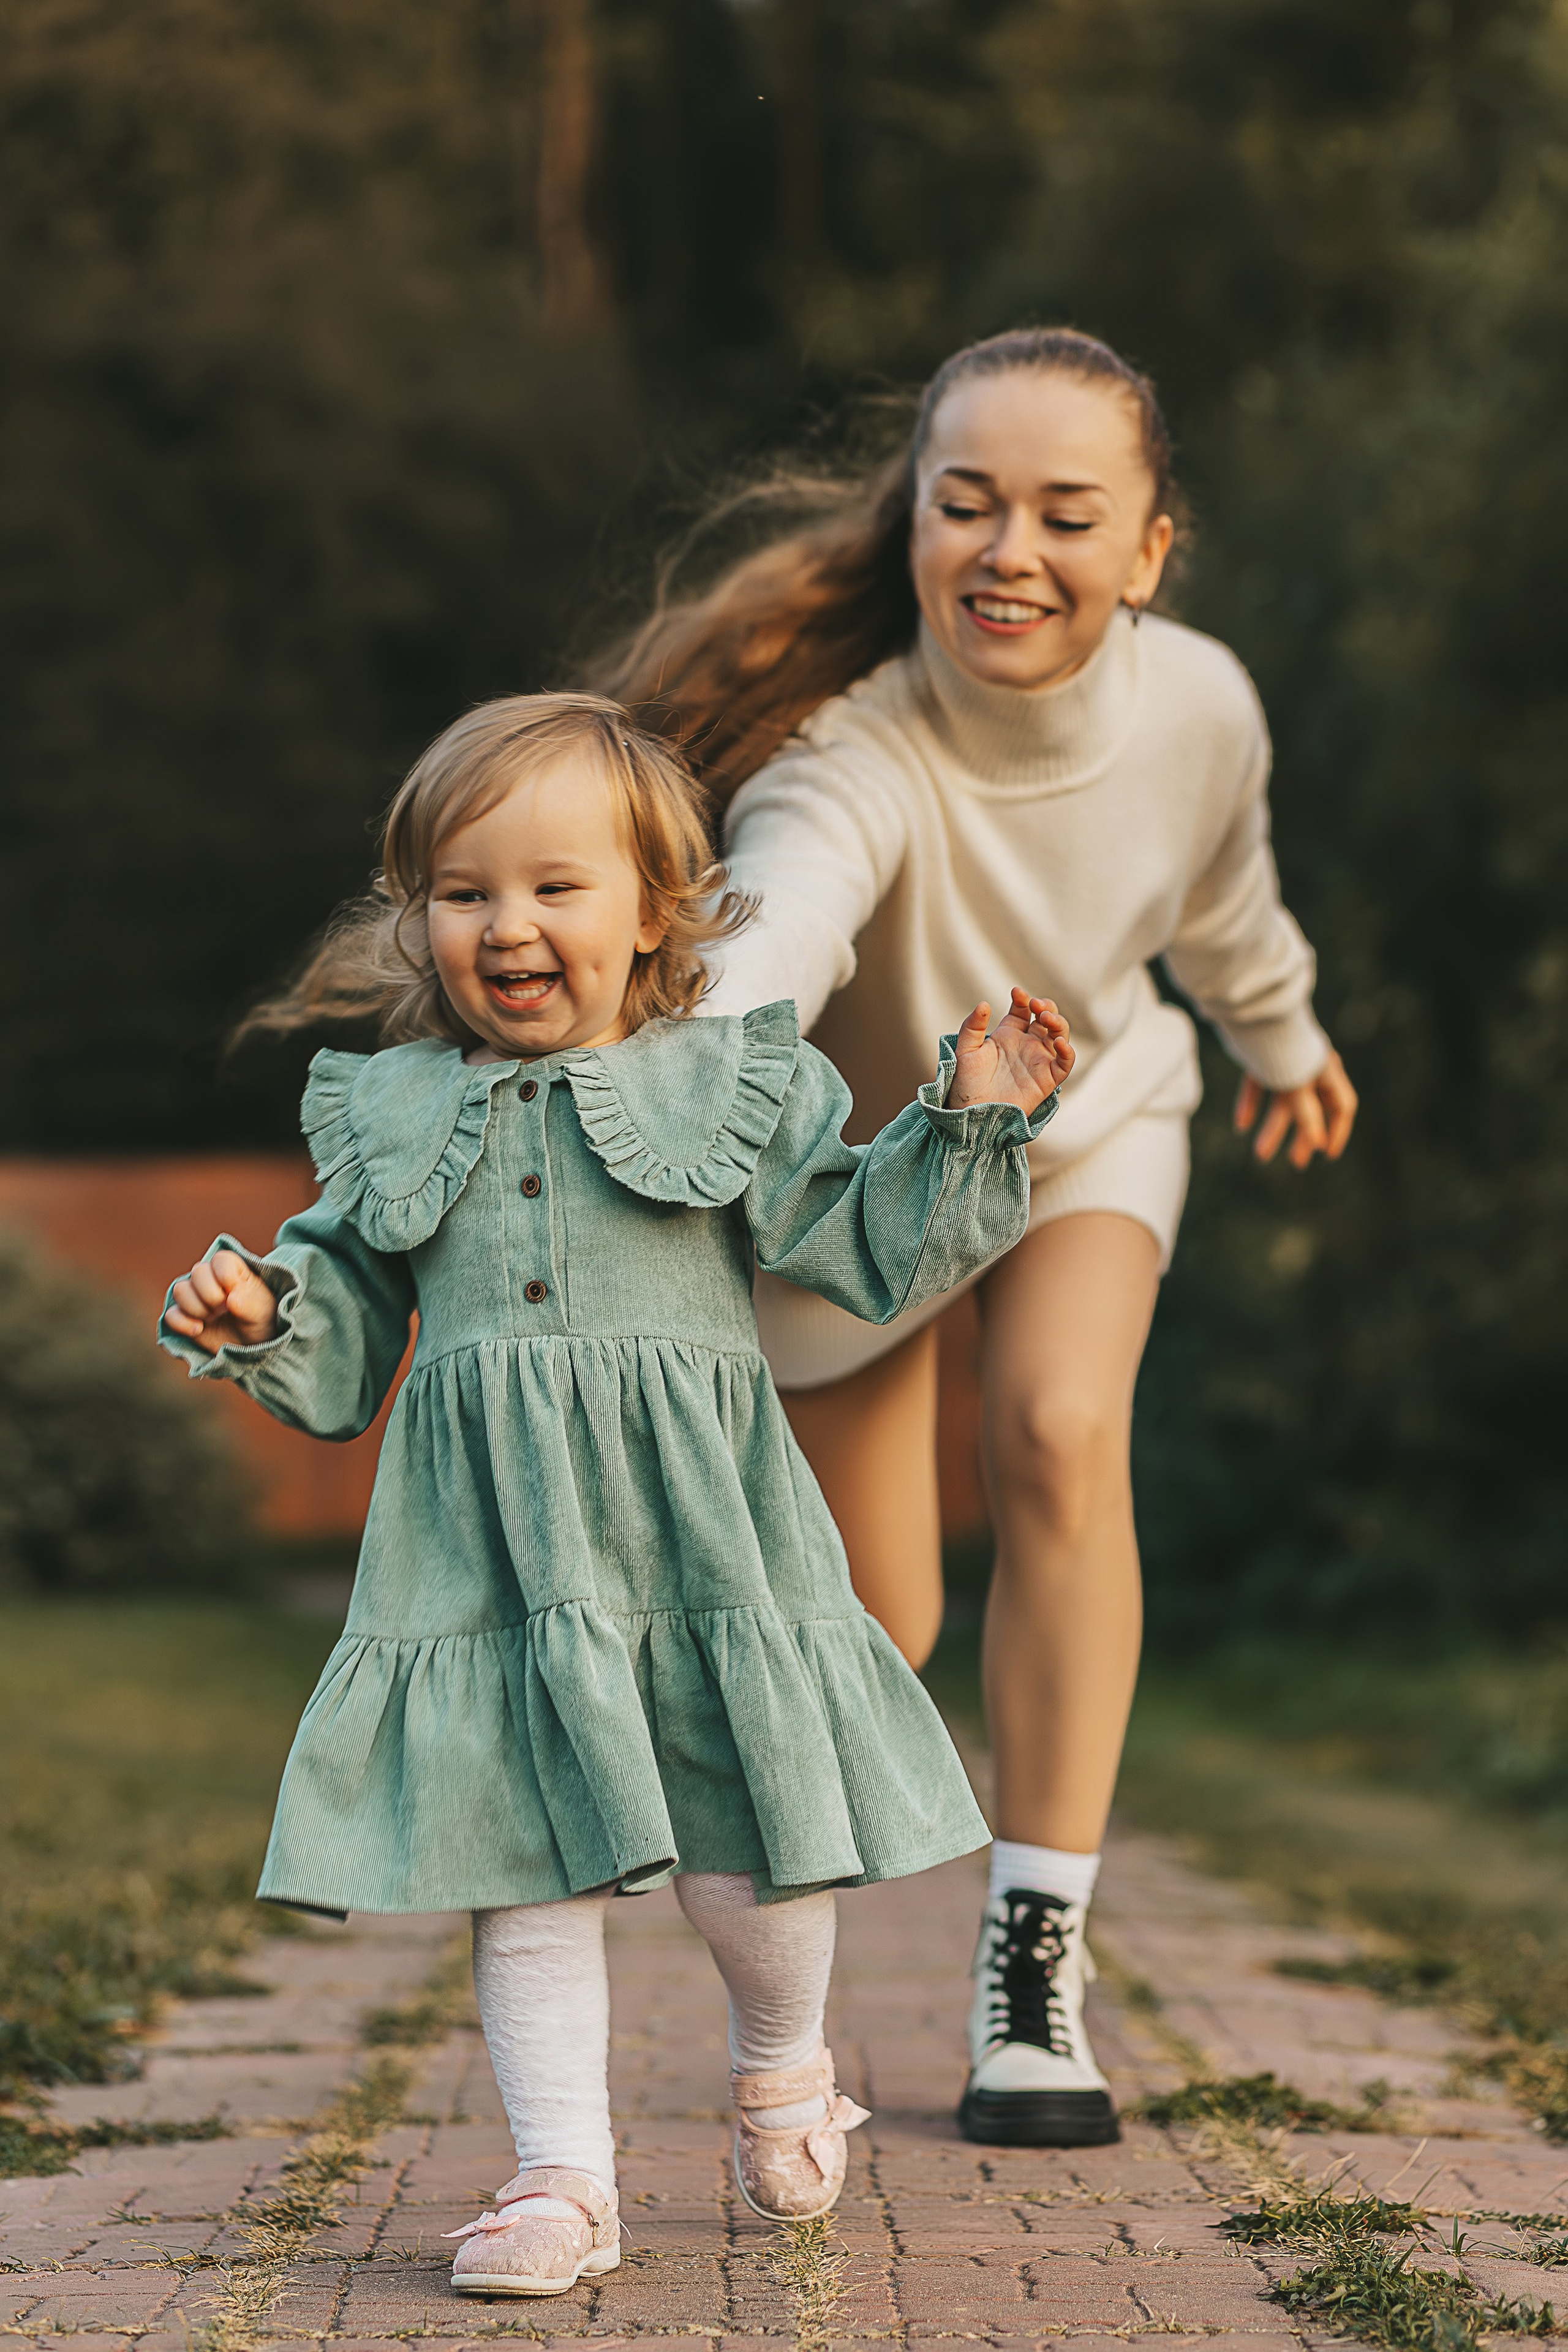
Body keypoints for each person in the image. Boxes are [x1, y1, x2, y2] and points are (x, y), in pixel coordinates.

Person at [158, 692, 1074, 2295]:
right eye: (464, 891)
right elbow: (349, 1312)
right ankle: (558, 2183)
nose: (506, 925)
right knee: (526, 1856)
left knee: (748, 1851)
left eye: (552, 887)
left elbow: (857, 1242)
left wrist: (972, 1119)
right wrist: (265, 1312)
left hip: (696, 1531)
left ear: (655, 910)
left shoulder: (720, 1085)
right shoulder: (394, 1111)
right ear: (419, 916)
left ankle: (784, 2058)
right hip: (490, 1552)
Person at [595, 326, 1359, 2151]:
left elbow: (1223, 900)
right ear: (917, 519)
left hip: (1086, 1124)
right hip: (859, 1200)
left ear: (1149, 548)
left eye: (1066, 514)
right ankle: (806, 1992)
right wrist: (703, 1057)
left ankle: (1034, 1972)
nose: (1011, 549)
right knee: (880, 1622)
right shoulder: (853, 758)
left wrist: (1288, 1032)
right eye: (969, 503)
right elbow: (781, 916)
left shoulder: (1204, 706)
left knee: (1057, 1434)